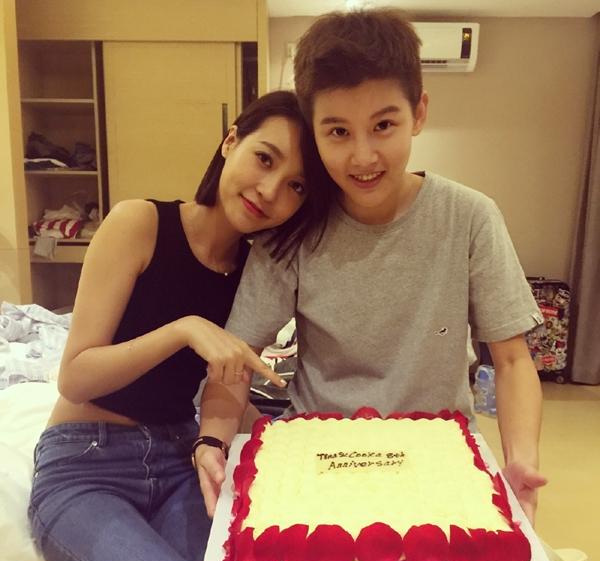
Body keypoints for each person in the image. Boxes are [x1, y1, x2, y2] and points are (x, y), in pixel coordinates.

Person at [196, 9, 548, 528]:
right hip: (321, 458)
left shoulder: (470, 217)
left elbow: (513, 361)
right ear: (313, 132)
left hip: (439, 458)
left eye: (383, 125)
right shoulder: (294, 230)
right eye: (338, 131)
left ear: (418, 112)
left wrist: (521, 459)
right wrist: (212, 441)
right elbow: (236, 360)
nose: (363, 156)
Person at [27, 90, 333, 561]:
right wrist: (183, 329)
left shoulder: (257, 275)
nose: (269, 190)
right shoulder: (139, 224)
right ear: (230, 141)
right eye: (264, 158)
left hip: (180, 458)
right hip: (86, 463)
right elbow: (75, 378)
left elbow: (228, 386)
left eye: (296, 186)